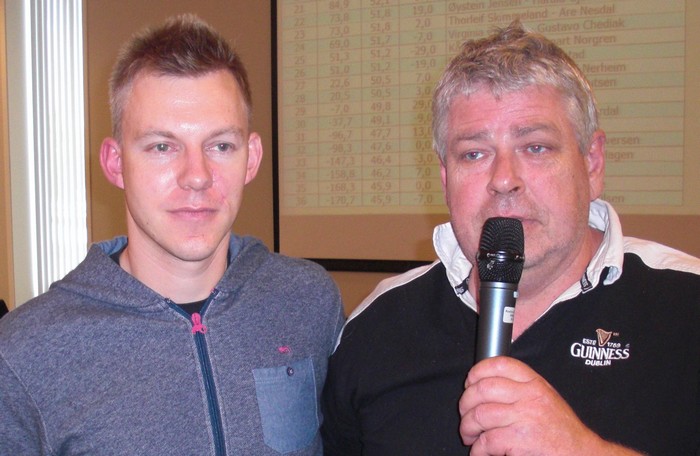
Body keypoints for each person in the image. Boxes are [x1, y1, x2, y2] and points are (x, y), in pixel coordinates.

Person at [321, 20, 700, 455]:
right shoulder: (377, 326)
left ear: (592, 163)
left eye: (535, 147)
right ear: (445, 179)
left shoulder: (687, 306)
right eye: (474, 154)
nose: (504, 179)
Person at [0, 14, 344, 455]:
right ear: (115, 163)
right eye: (162, 147)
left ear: (252, 157)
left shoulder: (307, 301)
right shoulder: (25, 352)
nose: (196, 176)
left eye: (221, 145)